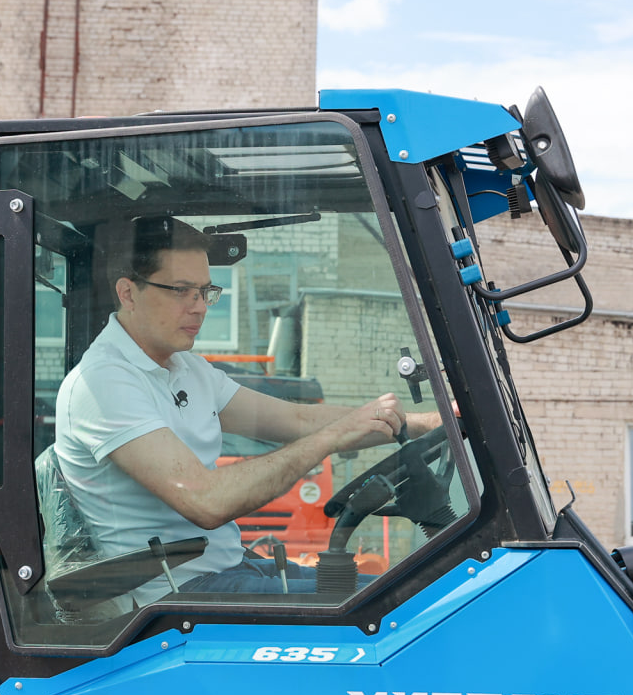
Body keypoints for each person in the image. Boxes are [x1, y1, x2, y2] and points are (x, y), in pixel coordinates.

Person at [54, 221, 440, 602]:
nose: (200, 308)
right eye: (182, 291)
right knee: (396, 602)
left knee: (400, 587)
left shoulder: (187, 369)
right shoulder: (102, 382)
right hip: (175, 600)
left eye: (205, 291)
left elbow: (297, 420)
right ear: (128, 293)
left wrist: (432, 424)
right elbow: (206, 501)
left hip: (230, 568)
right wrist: (330, 439)